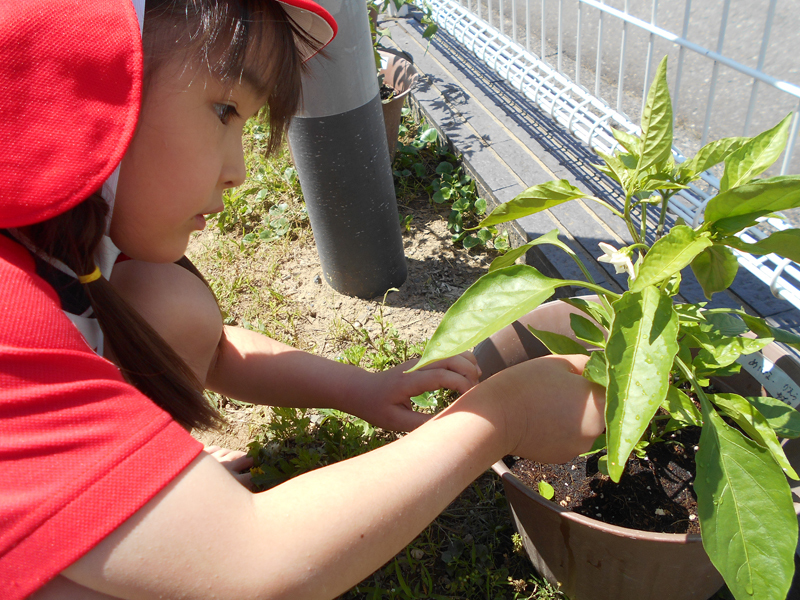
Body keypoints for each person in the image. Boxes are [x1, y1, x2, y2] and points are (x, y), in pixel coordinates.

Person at [0, 1, 606, 598]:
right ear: (76, 81)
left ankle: (139, 481)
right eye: (223, 109)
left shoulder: (69, 243)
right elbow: (251, 565)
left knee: (165, 301)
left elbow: (211, 350)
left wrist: (358, 389)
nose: (238, 172)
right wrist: (504, 418)